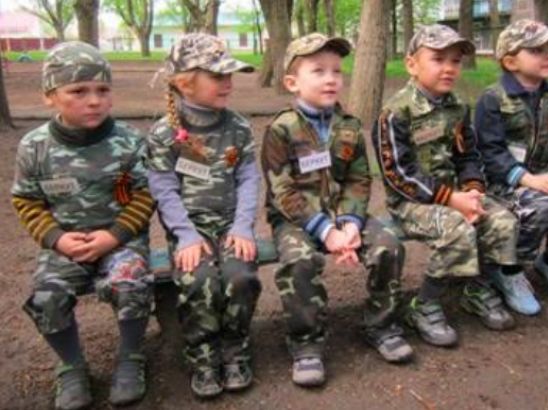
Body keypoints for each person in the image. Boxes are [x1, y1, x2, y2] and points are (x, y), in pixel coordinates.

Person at [261, 33, 412, 388]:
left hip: (344, 215)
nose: (331, 79)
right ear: (292, 83)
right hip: (296, 219)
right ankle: (306, 343)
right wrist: (325, 230)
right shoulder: (281, 129)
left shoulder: (349, 126)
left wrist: (350, 223)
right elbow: (282, 190)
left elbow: (359, 179)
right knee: (299, 261)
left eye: (336, 71)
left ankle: (382, 325)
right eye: (318, 71)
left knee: (388, 246)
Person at [11, 41, 154, 409]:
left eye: (103, 90)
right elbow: (26, 200)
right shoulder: (35, 147)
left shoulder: (128, 142)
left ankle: (130, 357)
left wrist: (114, 236)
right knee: (46, 297)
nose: (94, 101)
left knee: (131, 282)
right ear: (50, 96)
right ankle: (71, 366)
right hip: (65, 246)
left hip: (120, 241)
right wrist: (56, 239)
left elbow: (144, 194)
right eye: (78, 91)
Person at [372, 25, 520, 348]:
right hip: (411, 203)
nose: (449, 68)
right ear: (412, 64)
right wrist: (451, 199)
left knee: (502, 221)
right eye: (438, 59)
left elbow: (468, 154)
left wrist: (473, 188)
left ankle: (476, 288)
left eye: (455, 60)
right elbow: (398, 174)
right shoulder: (396, 113)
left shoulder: (458, 107)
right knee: (457, 229)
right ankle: (424, 304)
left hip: (456, 194)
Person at [145, 33, 261, 399]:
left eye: (230, 75)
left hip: (230, 224)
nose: (228, 83)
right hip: (190, 229)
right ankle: (203, 355)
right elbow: (164, 188)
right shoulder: (165, 133)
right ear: (185, 82)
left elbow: (248, 178)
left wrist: (243, 226)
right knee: (198, 280)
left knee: (240, 276)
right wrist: (186, 235)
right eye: (218, 76)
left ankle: (235, 348)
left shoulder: (238, 127)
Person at [475, 19, 548, 314]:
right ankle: (509, 270)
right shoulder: (493, 99)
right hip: (501, 182)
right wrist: (527, 179)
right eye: (537, 50)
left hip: (543, 177)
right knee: (539, 205)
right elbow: (489, 151)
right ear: (510, 61)